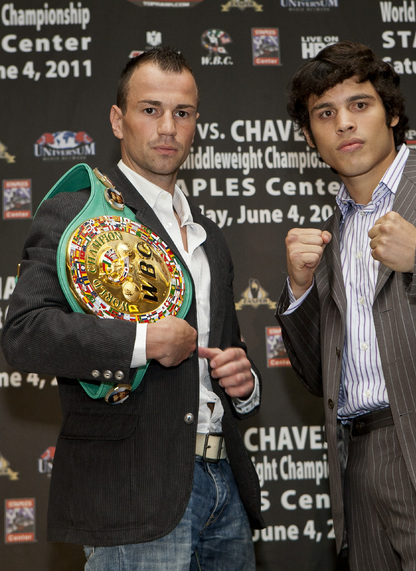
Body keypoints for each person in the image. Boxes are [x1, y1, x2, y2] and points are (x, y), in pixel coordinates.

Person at [2, 46, 264, 570]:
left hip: (224, 484)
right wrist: (143, 343)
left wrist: (245, 382)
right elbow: (25, 333)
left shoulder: (209, 237)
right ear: (118, 121)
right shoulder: (77, 211)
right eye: (150, 110)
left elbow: (223, 350)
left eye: (182, 113)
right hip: (132, 490)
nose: (168, 127)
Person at [275, 40, 416, 570]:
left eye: (360, 105)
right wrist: (300, 291)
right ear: (309, 137)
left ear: (392, 113)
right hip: (360, 470)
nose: (344, 124)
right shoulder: (327, 238)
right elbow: (317, 378)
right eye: (325, 114)